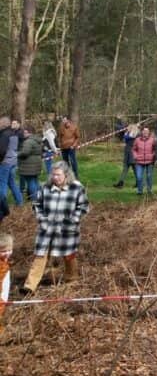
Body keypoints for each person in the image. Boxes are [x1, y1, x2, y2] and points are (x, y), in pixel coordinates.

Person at [21, 162, 89, 294]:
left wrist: (72, 220)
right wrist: (42, 219)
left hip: (67, 230)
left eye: (58, 175)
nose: (55, 177)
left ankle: (72, 279)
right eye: (53, 174)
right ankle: (29, 286)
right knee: (40, 255)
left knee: (69, 256)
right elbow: (37, 205)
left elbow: (83, 206)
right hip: (47, 229)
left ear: (66, 175)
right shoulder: (45, 187)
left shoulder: (77, 188)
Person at [16, 125, 43, 204]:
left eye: (25, 132)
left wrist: (17, 154)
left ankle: (34, 200)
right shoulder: (37, 140)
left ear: (29, 132)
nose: (23, 134)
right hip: (36, 163)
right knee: (35, 181)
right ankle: (39, 197)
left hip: (29, 165)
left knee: (30, 182)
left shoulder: (28, 141)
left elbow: (25, 152)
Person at [0, 117, 21, 205]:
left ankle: (2, 205)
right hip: (13, 161)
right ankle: (19, 202)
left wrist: (0, 160)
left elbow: (2, 150)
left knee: (2, 183)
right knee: (12, 183)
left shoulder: (4, 134)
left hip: (5, 162)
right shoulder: (14, 133)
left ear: (3, 124)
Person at [132, 126, 157, 196]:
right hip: (139, 161)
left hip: (150, 161)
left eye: (147, 131)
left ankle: (149, 190)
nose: (146, 132)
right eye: (144, 131)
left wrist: (153, 155)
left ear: (149, 132)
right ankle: (140, 191)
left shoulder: (152, 140)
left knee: (149, 176)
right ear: (142, 132)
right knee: (139, 177)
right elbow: (134, 149)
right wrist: (135, 156)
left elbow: (155, 149)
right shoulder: (137, 140)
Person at [114, 123, 138, 188]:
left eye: (129, 127)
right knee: (125, 169)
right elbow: (120, 127)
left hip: (132, 155)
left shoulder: (134, 135)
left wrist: (126, 132)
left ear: (132, 128)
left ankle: (138, 182)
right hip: (127, 154)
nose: (127, 128)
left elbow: (126, 137)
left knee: (135, 170)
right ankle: (120, 183)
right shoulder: (129, 134)